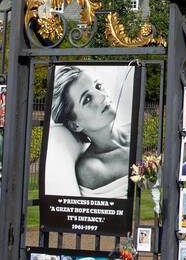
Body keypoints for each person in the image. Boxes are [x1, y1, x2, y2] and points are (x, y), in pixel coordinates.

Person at [51, 66, 132, 199]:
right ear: (75, 125)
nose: (102, 96)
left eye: (98, 86)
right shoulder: (91, 168)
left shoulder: (137, 132)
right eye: (87, 99)